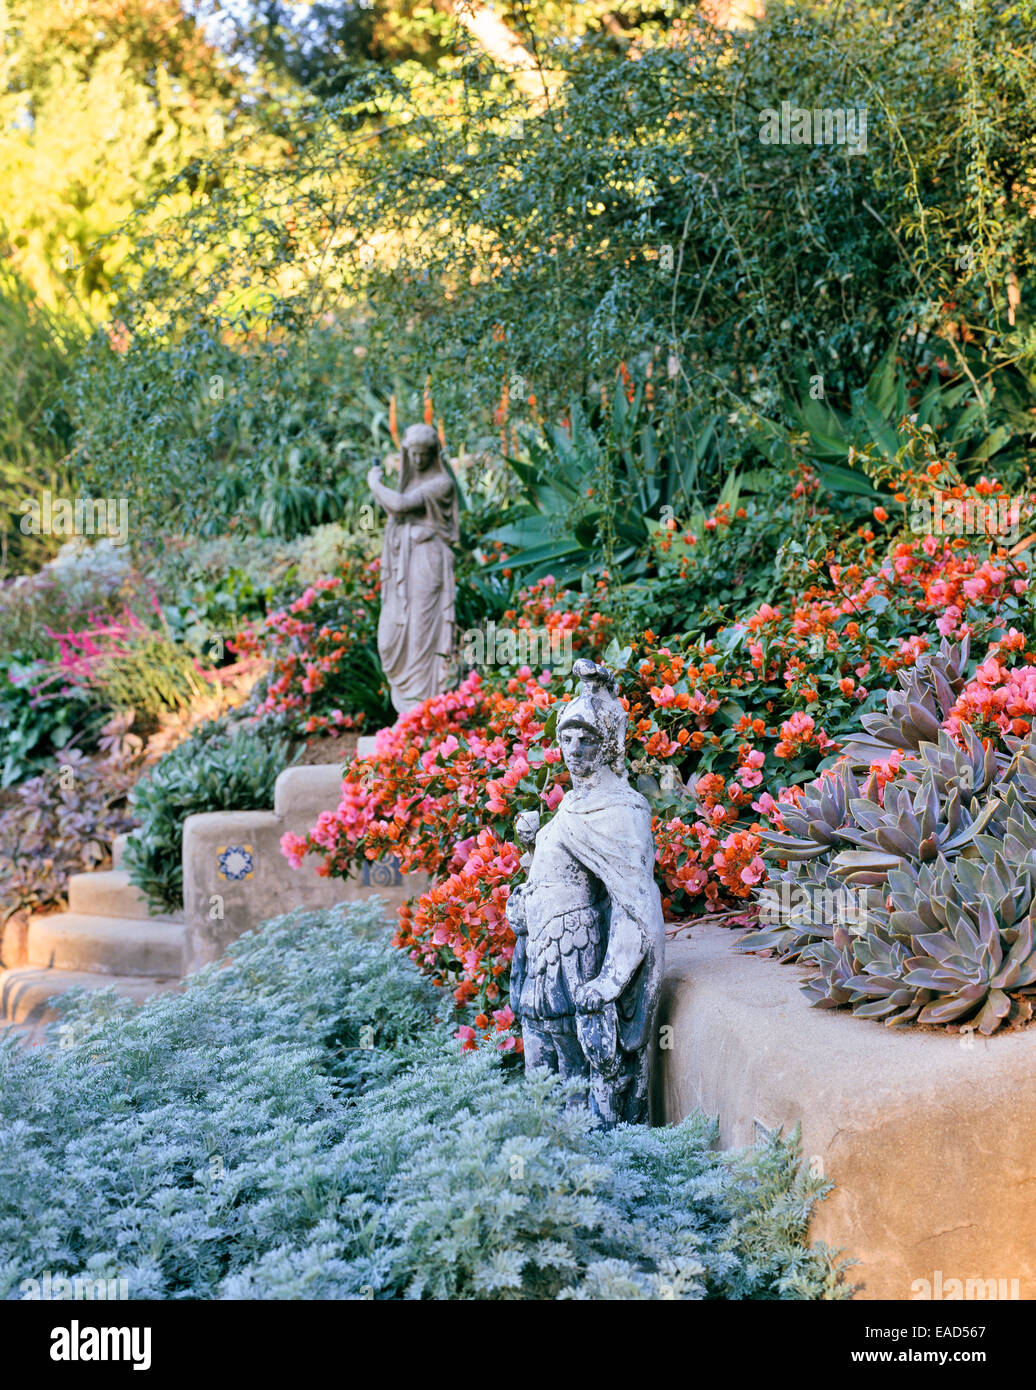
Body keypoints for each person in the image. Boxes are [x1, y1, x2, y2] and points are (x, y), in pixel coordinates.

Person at [506, 659, 665, 1126]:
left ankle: (595, 1171)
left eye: (588, 739)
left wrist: (612, 978)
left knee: (582, 1085)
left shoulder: (622, 810)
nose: (574, 749)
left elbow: (633, 904)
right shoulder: (571, 807)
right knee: (541, 1082)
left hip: (579, 967)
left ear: (609, 744)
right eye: (567, 738)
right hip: (541, 957)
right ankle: (548, 1167)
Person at [367, 423, 459, 713]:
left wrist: (375, 483)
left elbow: (401, 505)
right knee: (391, 636)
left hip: (427, 563)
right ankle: (409, 713)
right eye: (413, 454)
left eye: (424, 454)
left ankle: (423, 710)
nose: (418, 460)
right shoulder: (409, 482)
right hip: (402, 565)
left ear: (433, 454)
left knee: (421, 633)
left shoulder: (441, 483)